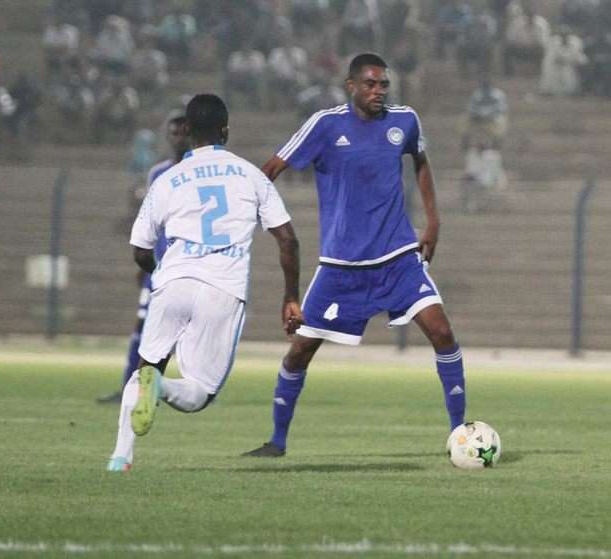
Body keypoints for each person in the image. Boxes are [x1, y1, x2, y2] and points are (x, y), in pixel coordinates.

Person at [243, 53, 467, 458]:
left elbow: (421, 162)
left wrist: (433, 221)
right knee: (299, 352)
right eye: (370, 84)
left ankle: (459, 436)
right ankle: (276, 441)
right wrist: (248, 211)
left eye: (383, 84)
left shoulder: (405, 121)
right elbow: (272, 167)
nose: (378, 91)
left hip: (398, 257)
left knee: (443, 333)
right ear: (351, 86)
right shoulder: (325, 125)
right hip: (341, 268)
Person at [106, 94, 301, 472]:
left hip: (174, 281)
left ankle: (120, 457)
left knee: (147, 365)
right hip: (221, 289)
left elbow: (140, 249)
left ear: (188, 131)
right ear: (226, 131)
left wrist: (159, 270)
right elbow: (288, 239)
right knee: (198, 393)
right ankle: (158, 387)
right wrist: (290, 296)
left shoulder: (168, 179)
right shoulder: (249, 174)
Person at [97, 110, 189, 405]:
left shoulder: (199, 170)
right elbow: (150, 219)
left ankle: (195, 389)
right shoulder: (158, 173)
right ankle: (130, 387)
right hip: (158, 266)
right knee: (143, 327)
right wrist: (143, 259)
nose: (177, 137)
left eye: (182, 132)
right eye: (172, 132)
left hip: (187, 265)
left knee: (187, 332)